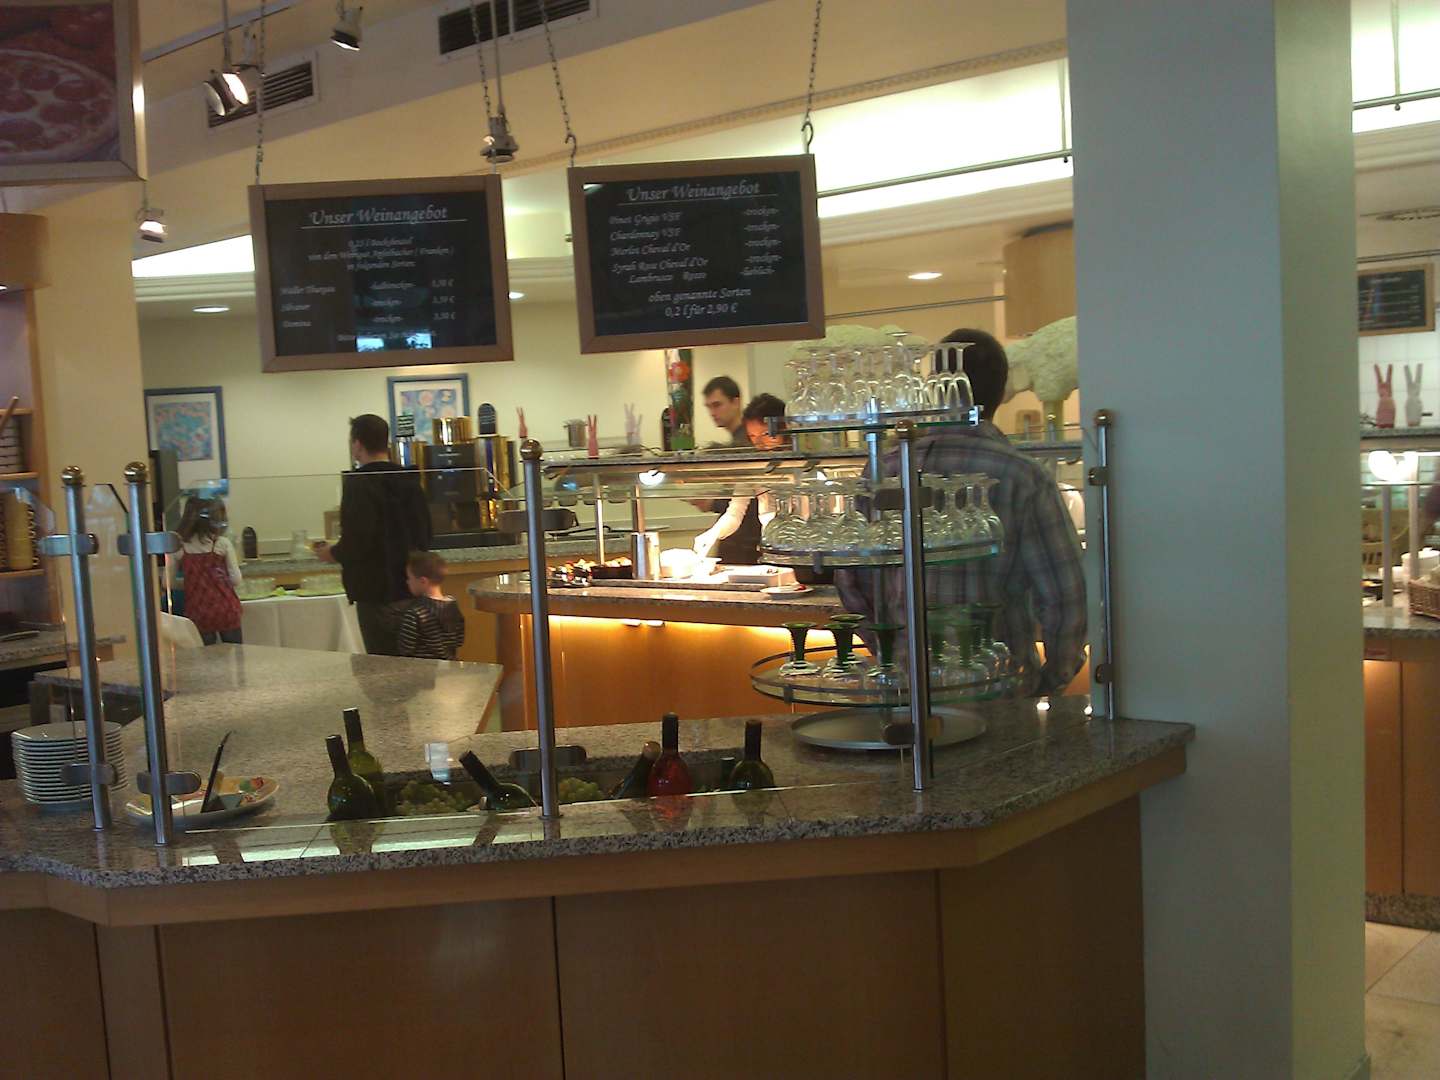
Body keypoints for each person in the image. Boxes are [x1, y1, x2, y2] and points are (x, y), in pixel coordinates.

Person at [836, 329, 1087, 697]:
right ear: (1001, 392)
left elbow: (851, 579)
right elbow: (1067, 597)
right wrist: (1049, 681)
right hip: (999, 688)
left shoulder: (884, 470)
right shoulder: (1023, 476)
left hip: (907, 688)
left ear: (933, 388)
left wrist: (890, 652)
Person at [315, 414, 431, 656]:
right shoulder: (409, 480)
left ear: (357, 444)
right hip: (412, 586)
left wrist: (331, 553)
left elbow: (357, 541)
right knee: (416, 661)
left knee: (382, 664)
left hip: (375, 590)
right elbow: (425, 534)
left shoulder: (358, 484)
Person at [693, 394, 789, 565]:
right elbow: (734, 514)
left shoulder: (802, 465)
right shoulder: (754, 468)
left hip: (801, 551)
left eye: (766, 434)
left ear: (785, 429)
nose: (759, 443)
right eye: (753, 436)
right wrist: (712, 534)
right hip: (771, 552)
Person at [170, 495, 244, 645]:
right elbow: (236, 579)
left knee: (206, 655)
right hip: (226, 609)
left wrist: (193, 583)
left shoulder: (179, 547)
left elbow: (168, 583)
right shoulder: (222, 543)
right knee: (236, 652)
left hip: (198, 611)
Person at [395, 551, 466, 661]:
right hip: (450, 666)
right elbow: (459, 641)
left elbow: (406, 649)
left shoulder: (415, 613)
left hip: (423, 668)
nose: (407, 582)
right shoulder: (453, 606)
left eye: (409, 578)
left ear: (423, 581)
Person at [701, 375, 749, 447]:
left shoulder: (748, 440)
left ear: (736, 403)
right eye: (709, 407)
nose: (712, 413)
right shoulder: (741, 437)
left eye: (717, 405)